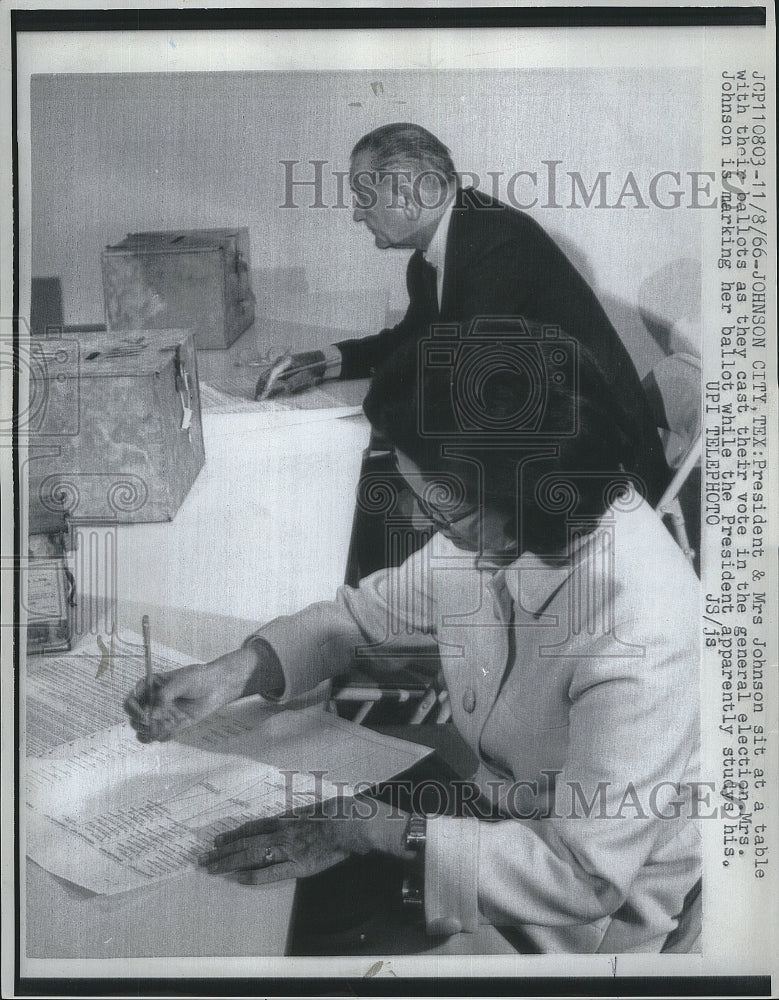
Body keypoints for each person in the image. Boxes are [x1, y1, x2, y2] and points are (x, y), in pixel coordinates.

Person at [125, 331, 700, 953]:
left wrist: (369, 830)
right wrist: (235, 672)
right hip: (493, 806)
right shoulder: (505, 523)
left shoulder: (644, 631)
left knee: (292, 940)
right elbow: (363, 617)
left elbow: (582, 877)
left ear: (516, 497)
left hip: (566, 912)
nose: (432, 528)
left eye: (445, 513)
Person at [256, 122, 669, 504]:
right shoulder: (436, 251)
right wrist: (324, 361)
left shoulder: (495, 245)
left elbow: (455, 386)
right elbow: (413, 341)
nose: (357, 214)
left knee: (377, 497)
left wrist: (347, 425)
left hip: (600, 468)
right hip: (544, 442)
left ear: (409, 196)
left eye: (364, 197)